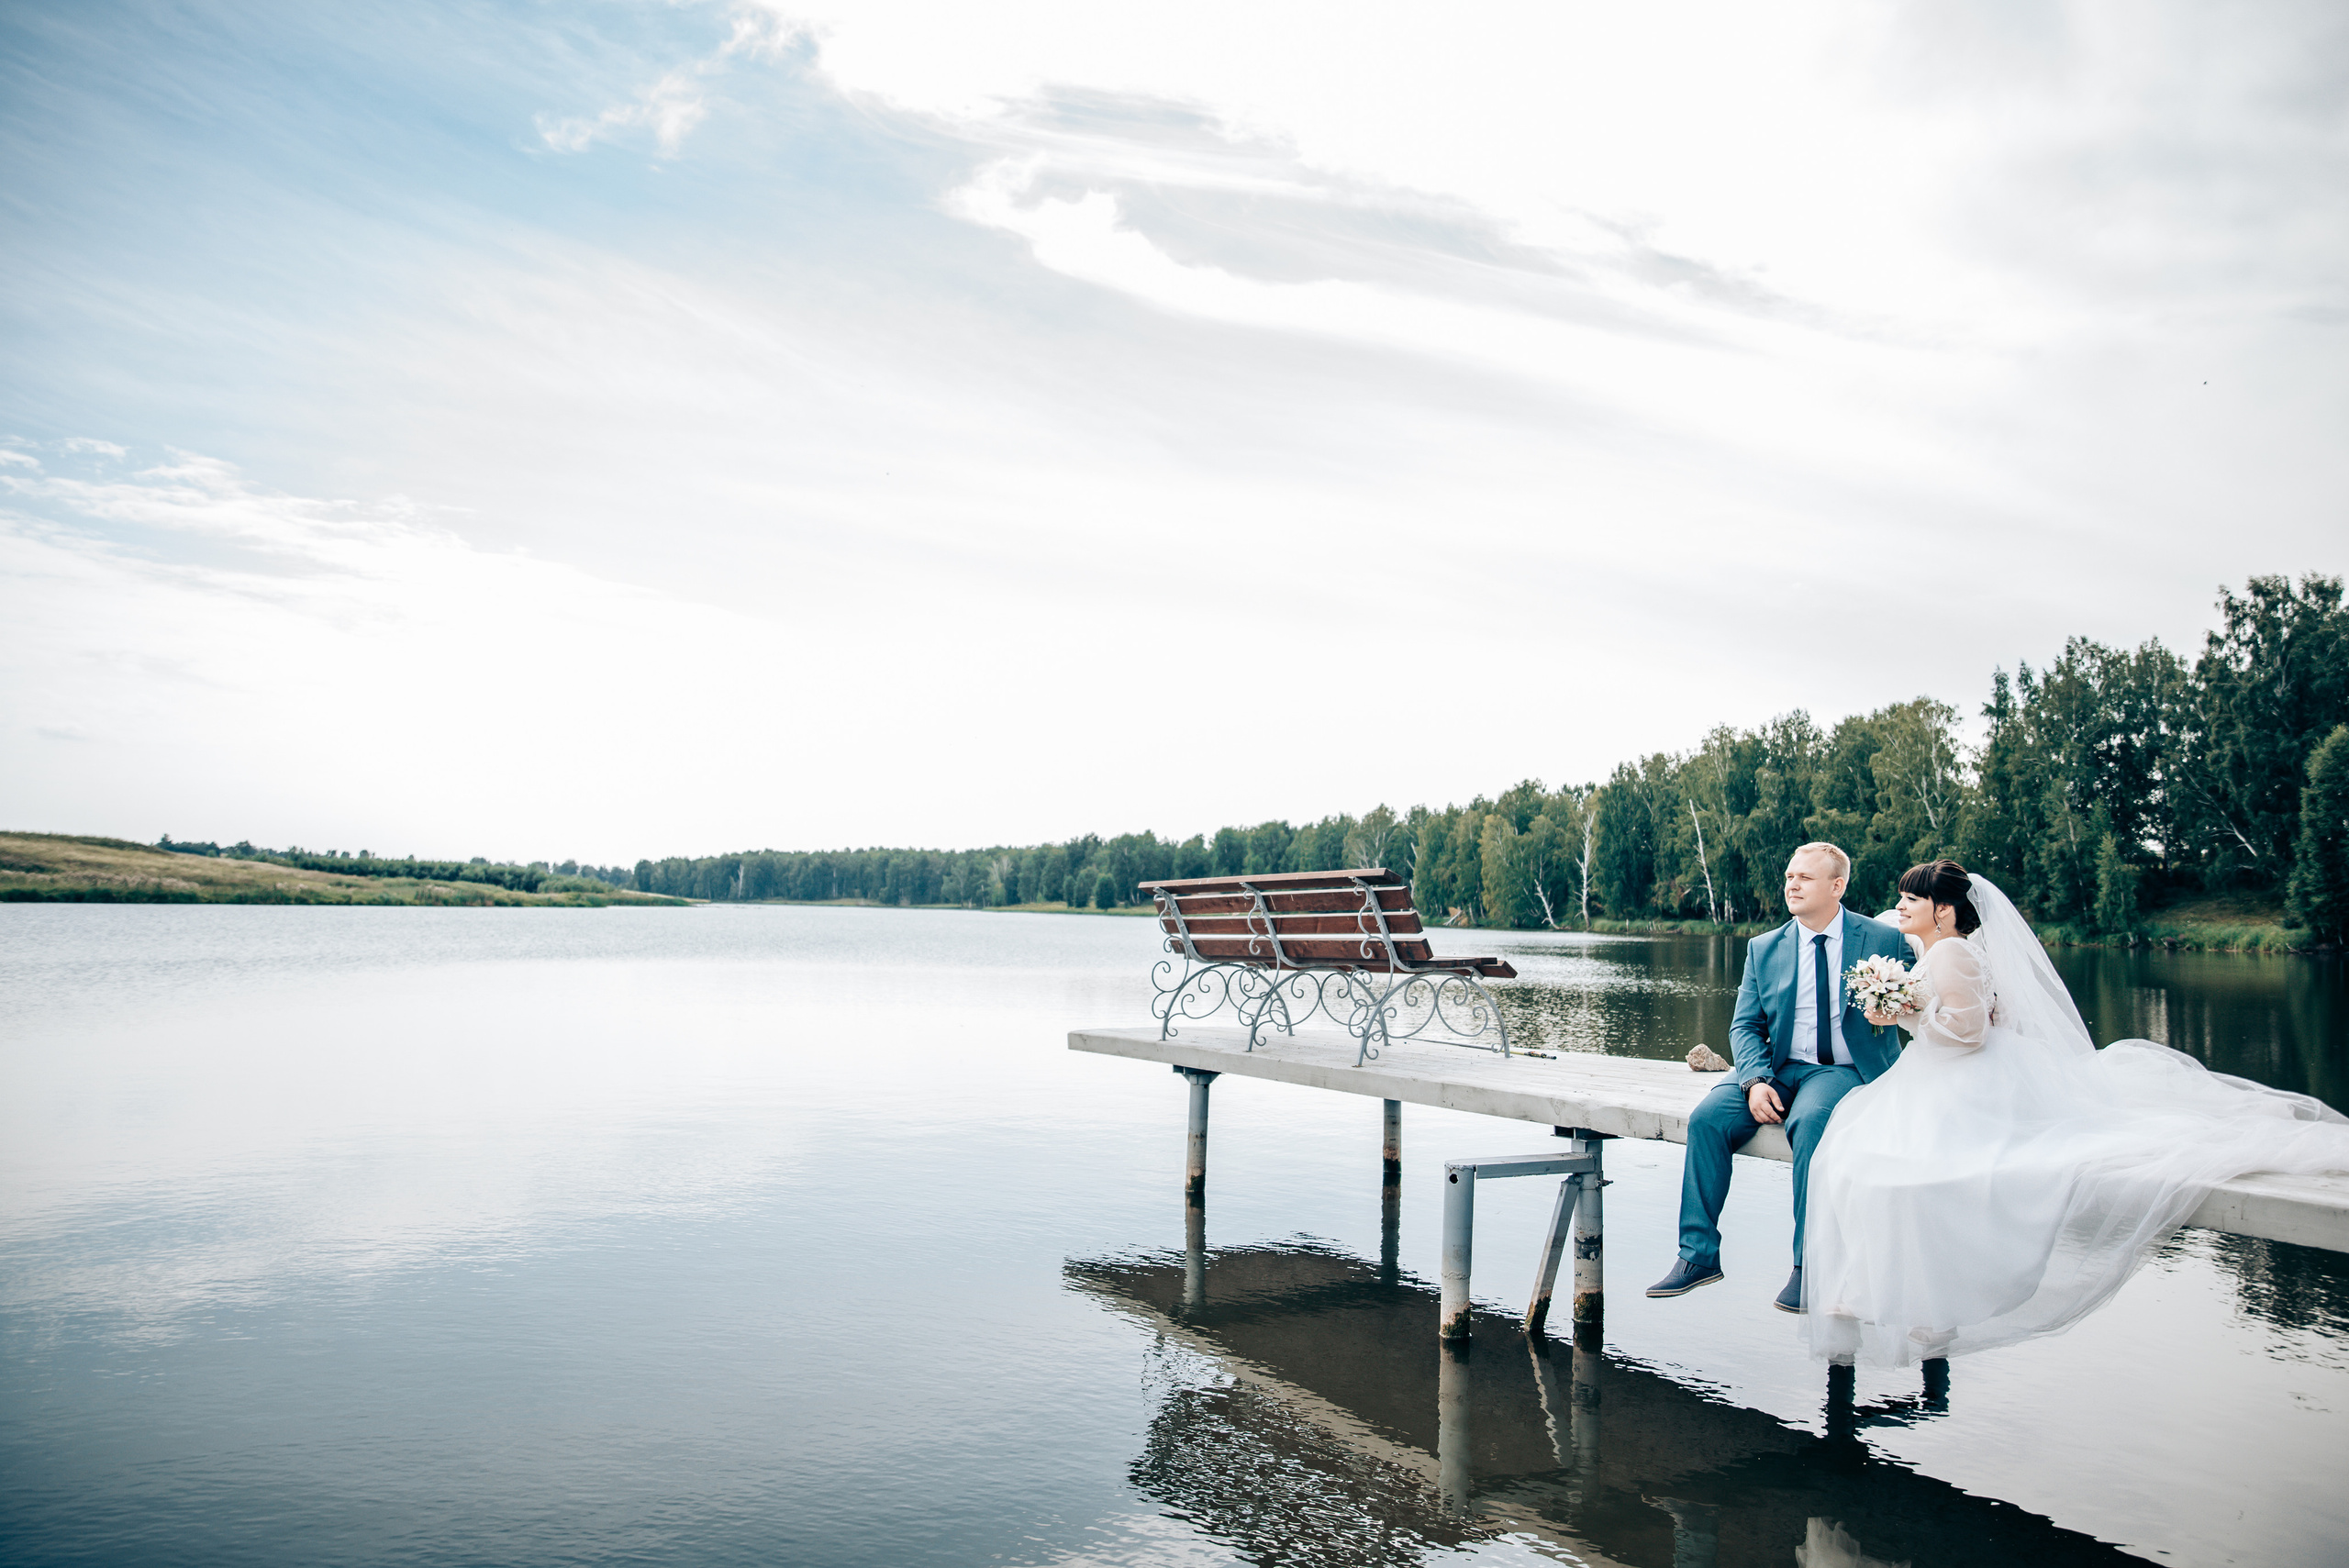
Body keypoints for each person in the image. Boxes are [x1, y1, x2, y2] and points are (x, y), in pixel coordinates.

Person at [1799, 859, 2349, 1366]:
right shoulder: (1942, 951)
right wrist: (1901, 1004)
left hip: (1962, 1076)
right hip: (1944, 1073)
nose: (1900, 906)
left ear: (1942, 910)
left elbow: (1967, 1034)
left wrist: (1903, 1014)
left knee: (1879, 1161)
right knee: (1866, 1154)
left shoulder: (1950, 952)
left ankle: (1908, 1299)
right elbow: (1992, 1016)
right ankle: (1901, 1297)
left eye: (1910, 898)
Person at [1646, 842, 1912, 1311]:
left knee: (1810, 1124)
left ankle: (1808, 1267)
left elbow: (1919, 1002)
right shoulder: (1764, 947)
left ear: (1837, 886)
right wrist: (1754, 1081)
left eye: (1805, 878)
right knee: (1707, 1118)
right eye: (1789, 876)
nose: (1792, 884)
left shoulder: (1883, 942)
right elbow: (1745, 1025)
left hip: (1842, 1069)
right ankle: (1698, 1256)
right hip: (1776, 1066)